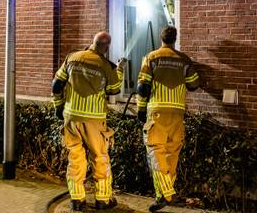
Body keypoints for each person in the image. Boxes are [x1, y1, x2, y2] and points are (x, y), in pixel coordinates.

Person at [51, 32, 124, 212]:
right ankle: (102, 200)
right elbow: (114, 90)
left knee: (75, 158)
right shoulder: (105, 65)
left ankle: (77, 200)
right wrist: (120, 70)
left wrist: (58, 107)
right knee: (100, 158)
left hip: (71, 118)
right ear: (106, 47)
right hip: (94, 120)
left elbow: (56, 84)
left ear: (93, 42)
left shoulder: (72, 58)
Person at [136, 26, 200, 212]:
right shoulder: (184, 59)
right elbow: (194, 84)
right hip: (177, 112)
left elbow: (142, 86)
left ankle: (166, 193)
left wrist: (141, 109)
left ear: (161, 38)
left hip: (157, 111)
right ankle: (164, 195)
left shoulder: (151, 57)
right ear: (175, 39)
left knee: (156, 152)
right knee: (172, 153)